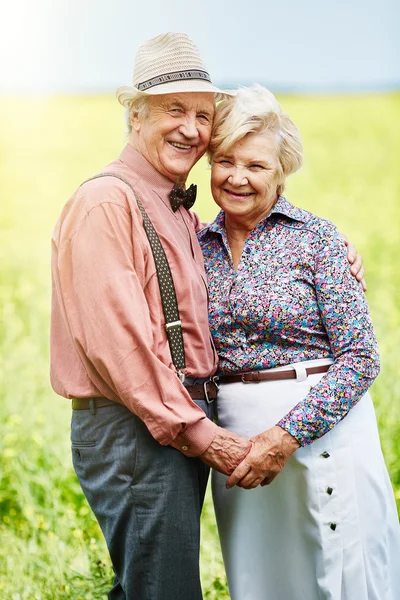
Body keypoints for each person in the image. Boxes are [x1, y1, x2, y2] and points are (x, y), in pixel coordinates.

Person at [50, 33, 363, 599]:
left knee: (161, 586)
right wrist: (202, 434)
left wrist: (331, 255)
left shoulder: (186, 219)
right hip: (137, 426)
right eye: (174, 110)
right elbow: (120, 350)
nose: (190, 129)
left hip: (172, 425)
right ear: (135, 114)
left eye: (201, 114)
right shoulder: (106, 202)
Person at [198, 84, 400, 600]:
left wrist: (284, 437)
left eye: (256, 166)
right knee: (263, 583)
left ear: (282, 170)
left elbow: (360, 358)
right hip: (238, 450)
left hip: (318, 437)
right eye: (225, 160)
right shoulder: (193, 245)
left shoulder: (318, 240)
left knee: (338, 577)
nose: (237, 177)